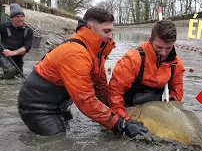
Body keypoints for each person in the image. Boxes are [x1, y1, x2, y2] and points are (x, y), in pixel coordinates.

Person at [17, 7, 148, 137]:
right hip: (36, 107)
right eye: (106, 31)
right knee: (58, 139)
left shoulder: (96, 52)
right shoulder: (75, 53)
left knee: (67, 128)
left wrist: (122, 112)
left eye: (111, 31)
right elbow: (86, 101)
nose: (110, 36)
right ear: (90, 27)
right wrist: (120, 124)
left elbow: (101, 90)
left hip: (60, 105)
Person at [107, 19, 185, 120]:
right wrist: (124, 121)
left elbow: (177, 89)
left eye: (168, 48)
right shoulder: (133, 59)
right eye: (159, 47)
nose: (164, 53)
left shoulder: (176, 64)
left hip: (156, 110)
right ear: (150, 40)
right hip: (129, 108)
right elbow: (115, 92)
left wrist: (173, 100)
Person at [0, 3, 33, 79]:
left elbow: (27, 47)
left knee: (18, 77)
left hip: (17, 61)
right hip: (3, 56)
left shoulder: (28, 31)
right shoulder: (3, 27)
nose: (20, 19)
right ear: (12, 18)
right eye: (17, 17)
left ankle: (2, 78)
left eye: (22, 16)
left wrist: (12, 53)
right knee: (11, 71)